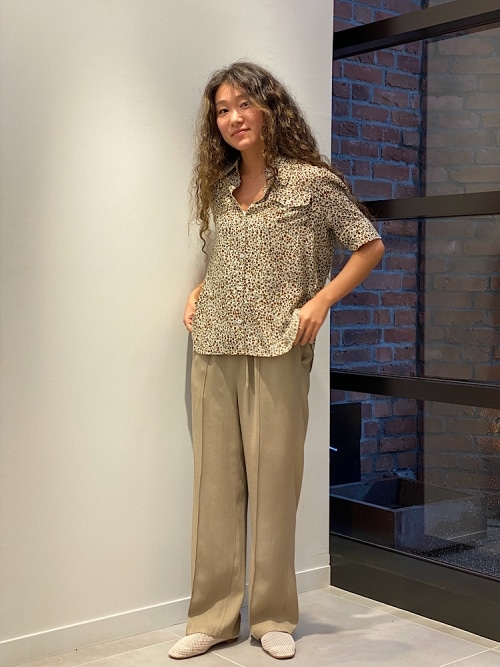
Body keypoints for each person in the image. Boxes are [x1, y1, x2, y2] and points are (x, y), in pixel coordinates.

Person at [169, 61, 384, 661]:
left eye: (243, 104)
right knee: (214, 489)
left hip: (280, 349)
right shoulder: (220, 188)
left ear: (269, 108)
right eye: (222, 110)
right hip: (213, 346)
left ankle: (270, 617)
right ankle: (213, 618)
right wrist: (201, 288)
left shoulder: (311, 184)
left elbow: (369, 246)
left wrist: (320, 301)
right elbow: (227, 258)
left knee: (273, 487)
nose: (233, 118)